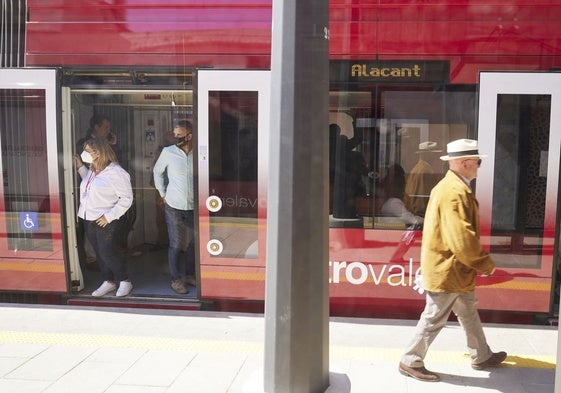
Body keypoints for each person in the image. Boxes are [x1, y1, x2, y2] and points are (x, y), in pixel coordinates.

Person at [398, 139, 506, 382]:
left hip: (454, 270)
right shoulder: (455, 192)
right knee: (434, 318)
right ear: (465, 163)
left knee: (468, 312)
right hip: (449, 270)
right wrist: (485, 263)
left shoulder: (448, 186)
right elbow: (462, 239)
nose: (479, 165)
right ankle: (410, 360)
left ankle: (481, 355)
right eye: (477, 161)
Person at [74, 138, 134, 297]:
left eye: (88, 151)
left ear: (99, 152)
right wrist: (80, 168)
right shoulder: (93, 169)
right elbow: (89, 183)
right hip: (88, 217)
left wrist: (109, 217)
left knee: (106, 252)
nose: (84, 154)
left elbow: (127, 199)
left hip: (106, 219)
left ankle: (125, 280)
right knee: (98, 252)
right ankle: (108, 281)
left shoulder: (116, 172)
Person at [153, 120, 196, 294]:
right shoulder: (168, 152)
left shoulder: (199, 152)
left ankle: (190, 275)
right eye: (175, 134)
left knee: (195, 242)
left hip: (194, 206)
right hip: (174, 205)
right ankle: (176, 279)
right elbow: (157, 172)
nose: (176, 137)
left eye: (180, 135)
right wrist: (162, 193)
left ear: (189, 136)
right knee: (176, 243)